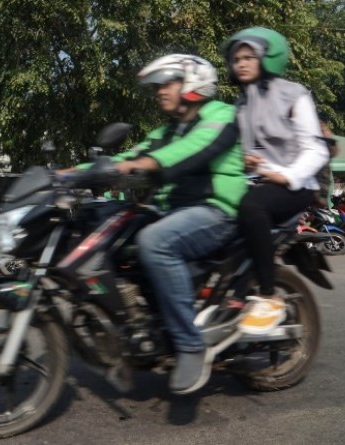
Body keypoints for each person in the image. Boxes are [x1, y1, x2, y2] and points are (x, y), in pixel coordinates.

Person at [99, 54, 247, 394]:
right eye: (158, 86)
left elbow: (185, 152)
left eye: (167, 84)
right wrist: (69, 174)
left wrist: (135, 166)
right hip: (173, 212)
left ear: (193, 82)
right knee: (107, 228)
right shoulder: (167, 132)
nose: (160, 92)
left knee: (156, 241)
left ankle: (190, 345)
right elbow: (131, 156)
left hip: (215, 211)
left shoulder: (222, 116)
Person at [223, 27, 329, 335]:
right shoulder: (241, 103)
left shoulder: (293, 94)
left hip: (295, 185)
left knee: (251, 206)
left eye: (248, 57)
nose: (241, 64)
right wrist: (244, 159)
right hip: (255, 182)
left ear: (267, 57)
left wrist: (287, 175)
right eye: (236, 59)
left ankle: (269, 296)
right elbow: (241, 149)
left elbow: (316, 149)